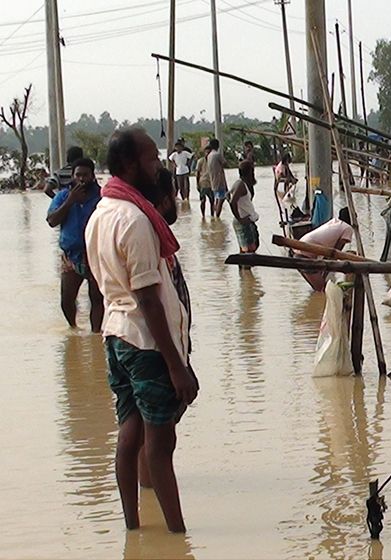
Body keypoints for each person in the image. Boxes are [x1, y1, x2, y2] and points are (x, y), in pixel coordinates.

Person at [85, 127, 197, 533]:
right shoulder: (134, 220)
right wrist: (176, 365)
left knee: (128, 432)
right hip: (145, 341)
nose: (158, 167)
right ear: (131, 165)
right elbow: (148, 298)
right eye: (152, 160)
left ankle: (133, 530)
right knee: (160, 444)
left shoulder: (100, 214)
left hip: (116, 335)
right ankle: (177, 536)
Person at [46, 157, 104, 331]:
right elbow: (51, 221)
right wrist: (70, 201)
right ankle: (73, 329)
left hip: (96, 255)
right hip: (71, 256)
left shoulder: (102, 196)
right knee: (67, 298)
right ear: (72, 176)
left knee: (96, 298)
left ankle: (96, 335)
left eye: (85, 175)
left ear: (93, 176)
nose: (81, 179)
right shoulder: (63, 196)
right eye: (78, 175)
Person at [296, 207, 353, 290]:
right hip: (306, 254)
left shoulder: (334, 222)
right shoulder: (347, 227)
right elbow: (337, 251)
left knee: (318, 290)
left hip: (298, 249)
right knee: (322, 289)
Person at [229, 160, 260, 256]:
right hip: (243, 222)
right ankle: (245, 269)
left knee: (246, 251)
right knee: (249, 252)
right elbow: (232, 201)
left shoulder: (241, 184)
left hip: (247, 220)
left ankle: (244, 271)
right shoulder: (240, 185)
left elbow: (227, 195)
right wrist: (240, 218)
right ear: (249, 172)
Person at [206, 138, 227, 218]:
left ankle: (215, 217)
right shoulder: (217, 155)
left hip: (213, 181)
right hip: (220, 181)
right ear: (218, 146)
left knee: (217, 199)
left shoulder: (209, 156)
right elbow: (225, 163)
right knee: (221, 199)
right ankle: (217, 217)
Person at [273, 151, 298, 219]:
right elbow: (281, 178)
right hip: (281, 187)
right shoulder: (281, 167)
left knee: (288, 203)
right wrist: (290, 180)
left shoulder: (284, 166)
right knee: (285, 203)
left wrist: (293, 179)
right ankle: (287, 218)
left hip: (283, 186)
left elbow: (289, 175)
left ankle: (289, 217)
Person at [194, 145, 213, 218]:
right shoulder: (200, 161)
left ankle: (212, 216)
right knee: (203, 200)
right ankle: (203, 216)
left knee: (212, 201)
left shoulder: (212, 160)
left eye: (209, 152)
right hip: (203, 183)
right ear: (204, 153)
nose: (208, 154)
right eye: (206, 152)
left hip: (211, 183)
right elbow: (197, 173)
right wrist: (197, 184)